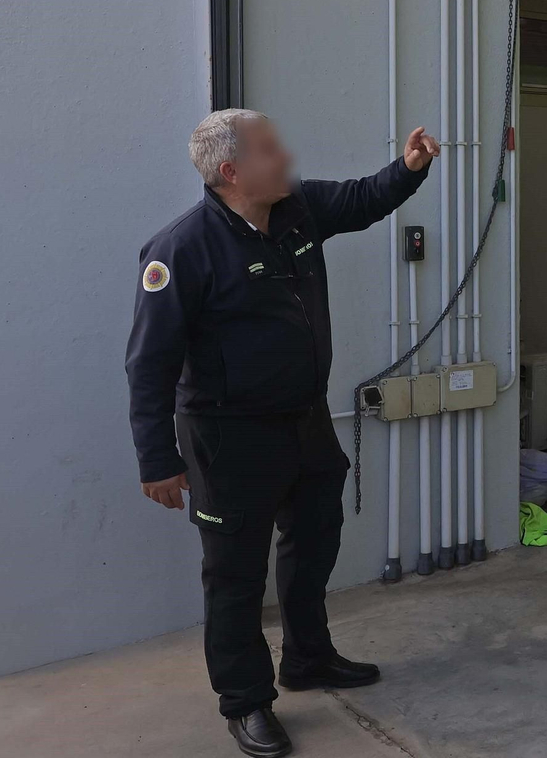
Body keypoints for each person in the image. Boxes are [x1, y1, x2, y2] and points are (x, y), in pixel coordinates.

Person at [126, 109, 437, 758]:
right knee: (235, 577)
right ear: (232, 171)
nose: (287, 158)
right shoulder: (181, 250)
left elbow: (362, 198)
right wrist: (158, 459)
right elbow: (149, 363)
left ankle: (308, 657)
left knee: (314, 539)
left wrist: (409, 169)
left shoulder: (297, 210)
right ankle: (246, 702)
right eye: (272, 150)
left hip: (306, 421)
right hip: (228, 438)